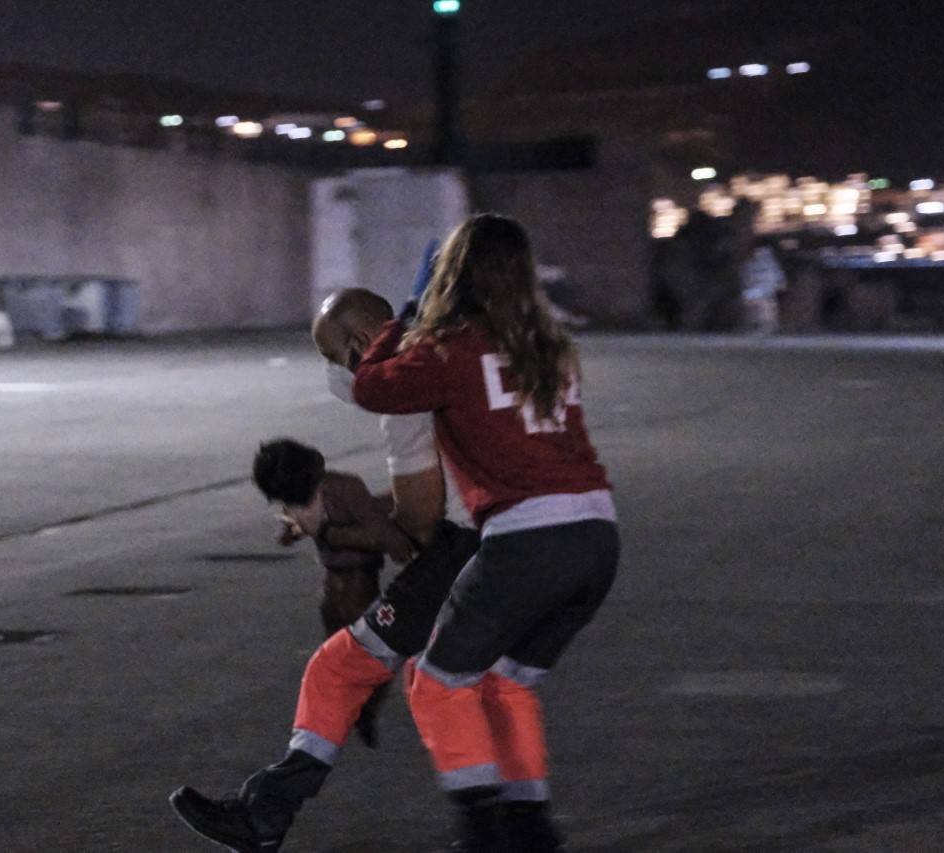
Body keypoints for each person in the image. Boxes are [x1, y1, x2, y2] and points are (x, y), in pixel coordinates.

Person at [170, 288, 480, 852]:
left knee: (373, 676)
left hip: (470, 547)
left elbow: (419, 522)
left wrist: (333, 527)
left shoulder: (404, 386)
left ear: (361, 344)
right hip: (542, 535)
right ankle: (505, 827)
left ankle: (266, 816)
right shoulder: (453, 347)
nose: (348, 379)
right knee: (475, 686)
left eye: (341, 362)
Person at [351, 213, 620, 852]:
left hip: (530, 537)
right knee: (505, 682)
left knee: (438, 684)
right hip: (597, 535)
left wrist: (406, 317)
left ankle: (482, 833)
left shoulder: (448, 350)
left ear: (455, 273)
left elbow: (369, 387)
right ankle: (530, 827)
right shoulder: (549, 344)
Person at [252, 437, 414, 746]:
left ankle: (347, 714)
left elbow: (288, 534)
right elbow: (376, 525)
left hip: (330, 586)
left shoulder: (298, 500)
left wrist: (290, 532)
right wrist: (401, 548)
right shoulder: (341, 488)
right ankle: (364, 708)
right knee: (380, 656)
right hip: (357, 584)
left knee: (344, 656)